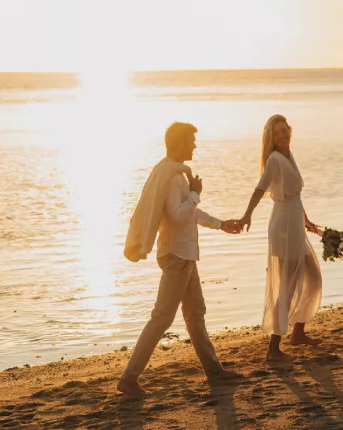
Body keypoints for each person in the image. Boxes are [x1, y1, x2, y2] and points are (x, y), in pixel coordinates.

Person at [118, 122, 243, 396]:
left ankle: (214, 371)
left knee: (195, 313)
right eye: (190, 141)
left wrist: (221, 224)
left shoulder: (176, 173)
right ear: (177, 143)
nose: (194, 146)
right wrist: (196, 193)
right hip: (176, 256)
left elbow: (190, 213)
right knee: (162, 318)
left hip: (186, 255)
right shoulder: (172, 176)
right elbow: (176, 215)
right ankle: (129, 378)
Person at [239, 114, 323, 362]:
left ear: (290, 131)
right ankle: (273, 349)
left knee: (313, 278)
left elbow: (294, 195)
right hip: (283, 227)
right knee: (287, 286)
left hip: (294, 222)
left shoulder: (289, 156)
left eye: (284, 130)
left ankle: (298, 332)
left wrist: (306, 220)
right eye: (277, 133)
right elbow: (260, 188)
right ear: (272, 139)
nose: (283, 135)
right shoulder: (275, 160)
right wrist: (247, 215)